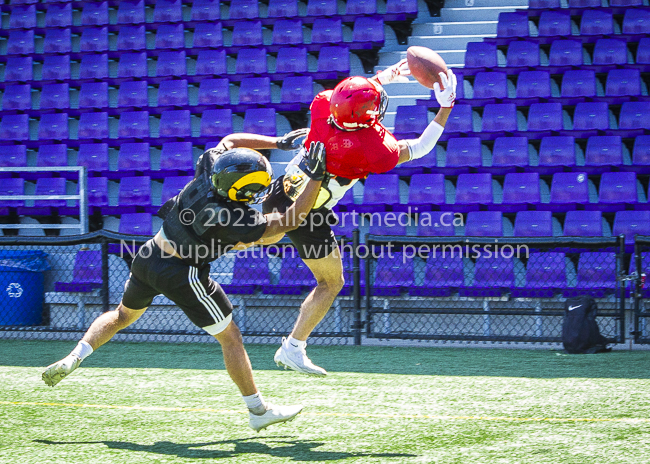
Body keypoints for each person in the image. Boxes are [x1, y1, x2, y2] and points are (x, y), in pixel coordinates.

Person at [42, 132, 328, 433]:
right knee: (230, 338)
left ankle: (76, 356)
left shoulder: (208, 172)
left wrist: (279, 142)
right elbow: (290, 221)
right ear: (246, 192)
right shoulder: (235, 217)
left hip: (150, 253)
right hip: (182, 272)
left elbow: (230, 141)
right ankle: (258, 411)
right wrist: (316, 176)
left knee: (121, 316)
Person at [263, 62, 457, 376]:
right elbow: (421, 146)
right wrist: (446, 107)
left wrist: (382, 78)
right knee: (331, 282)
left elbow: (347, 99)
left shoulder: (322, 104)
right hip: (307, 215)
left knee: (243, 239)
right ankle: (293, 348)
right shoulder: (374, 149)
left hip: (281, 191)